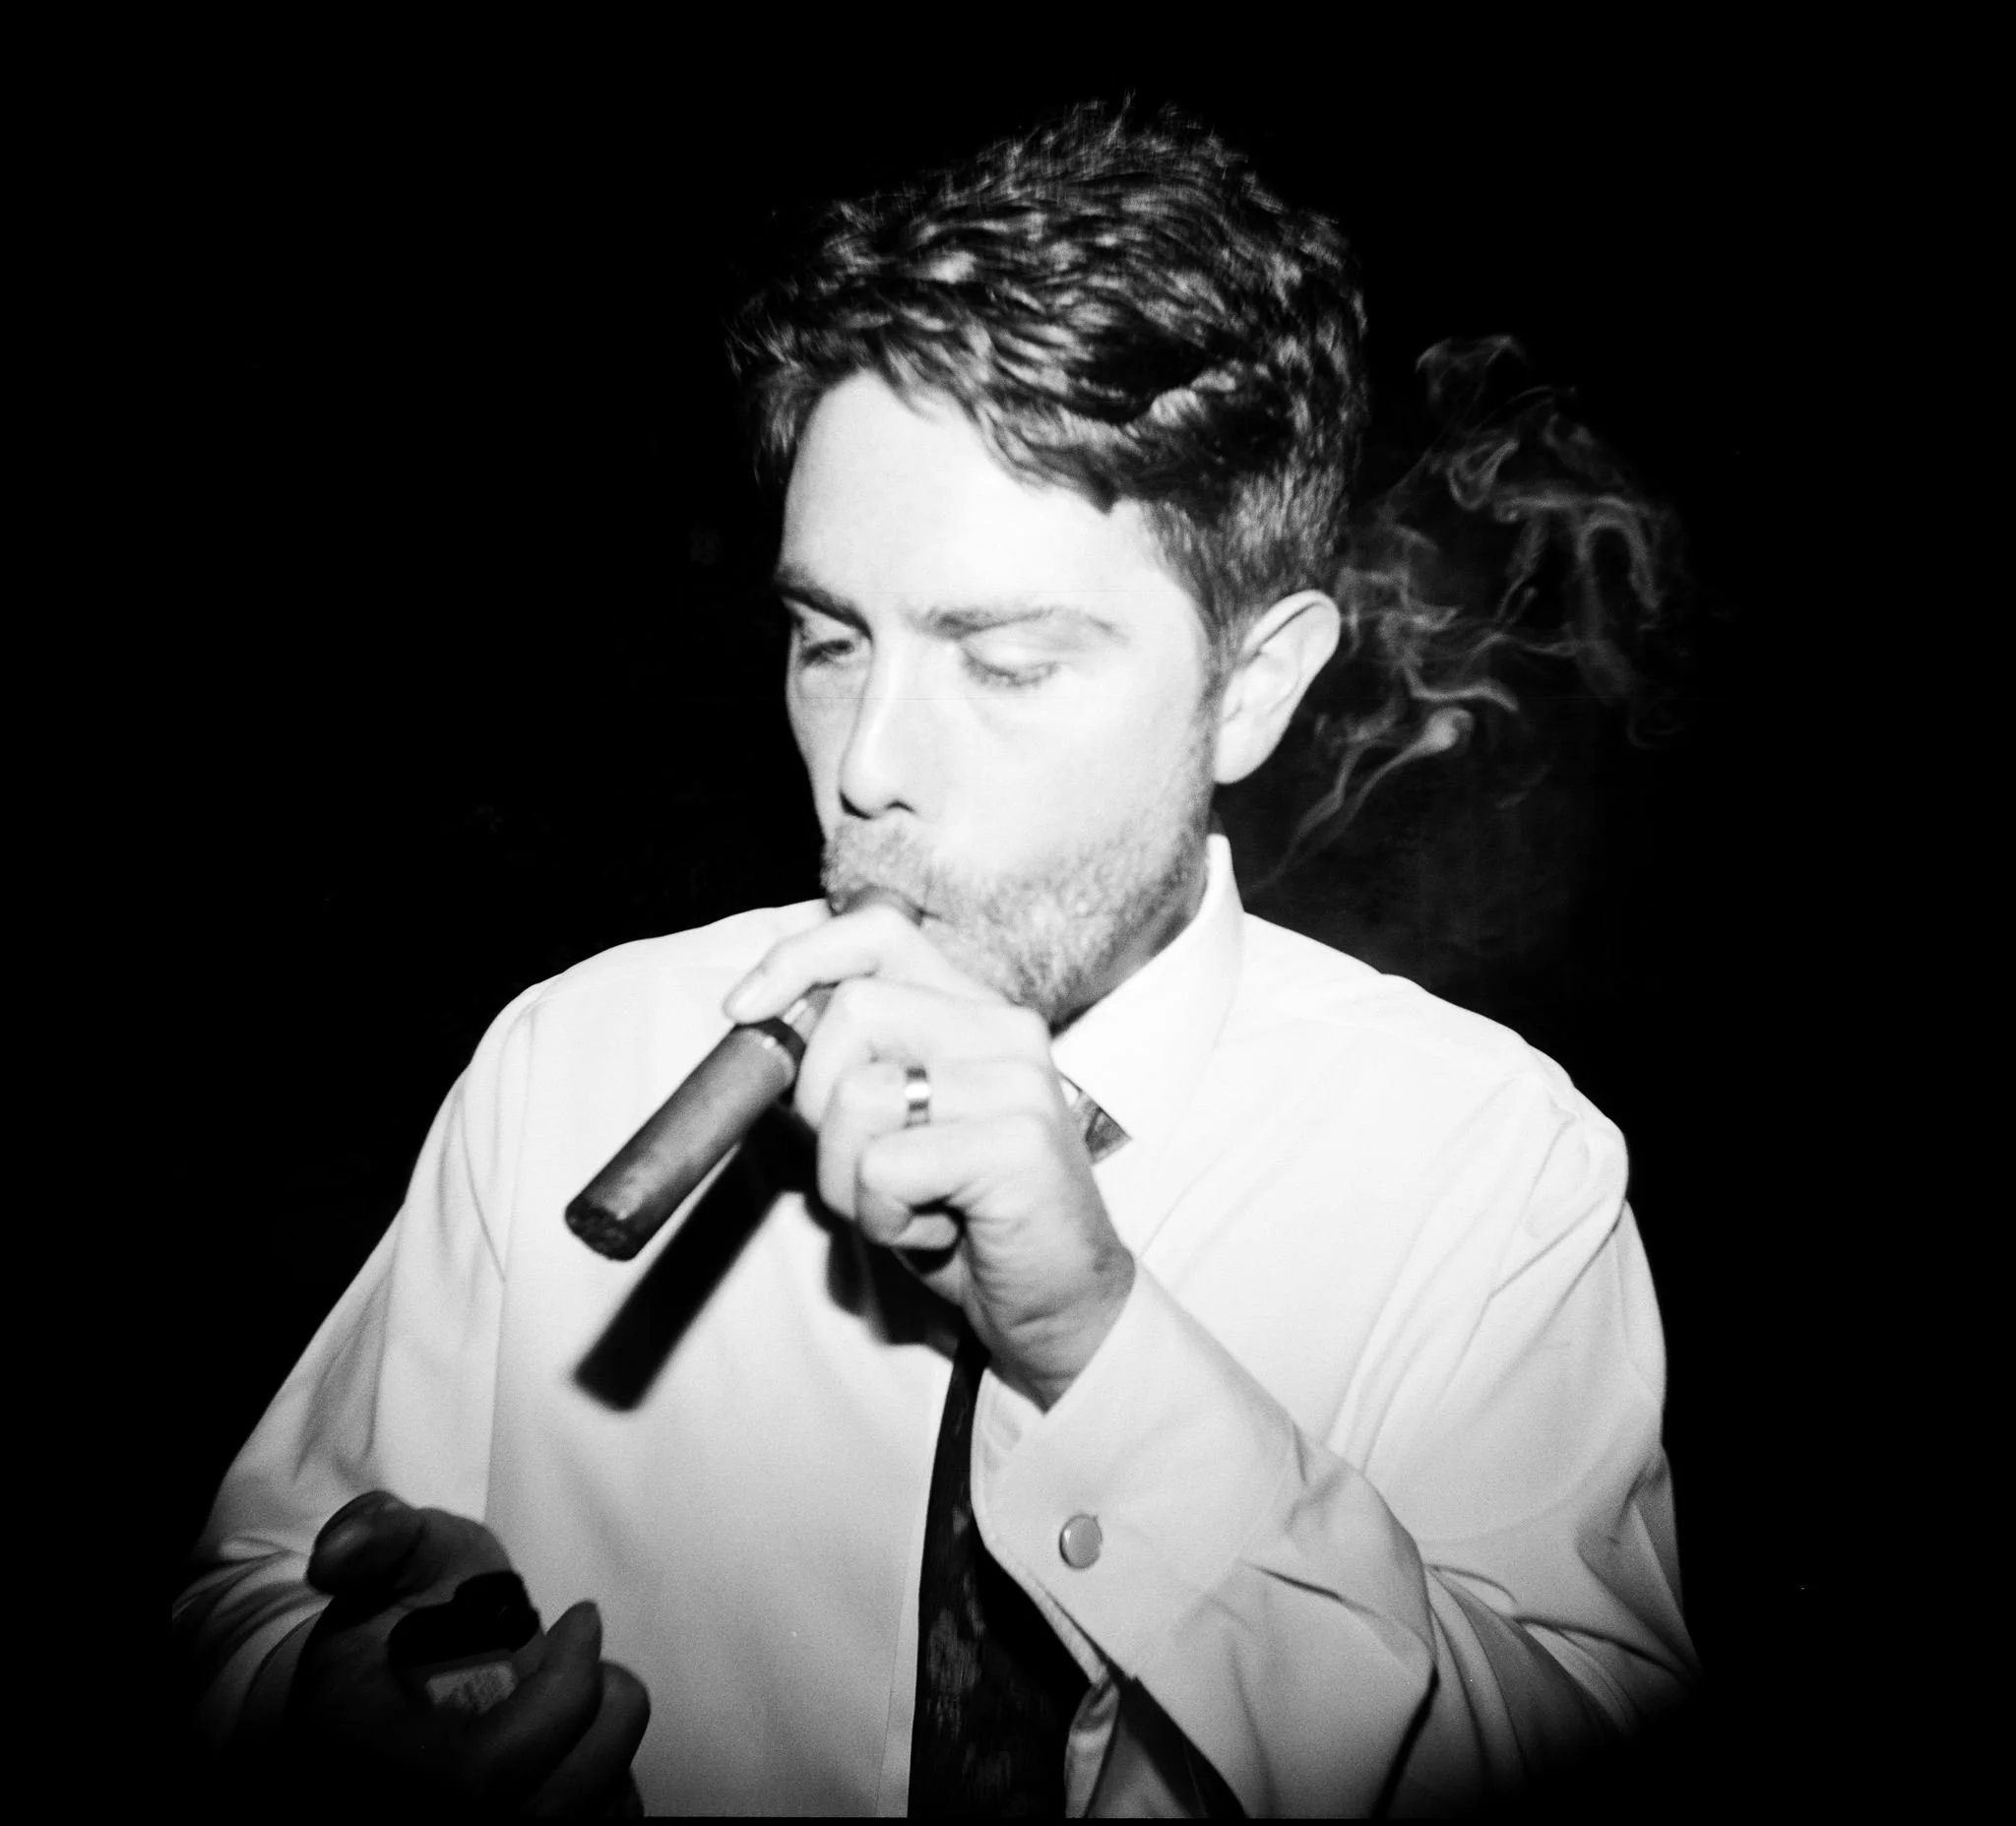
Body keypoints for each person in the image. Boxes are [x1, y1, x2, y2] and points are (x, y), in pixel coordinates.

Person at [175, 104, 1697, 1815]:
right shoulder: (572, 1067)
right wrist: (316, 1705)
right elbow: (248, 1587)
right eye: (830, 641)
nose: (869, 760)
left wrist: (1106, 1354)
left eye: (1006, 661)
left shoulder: (1492, 1174)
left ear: (1255, 686)